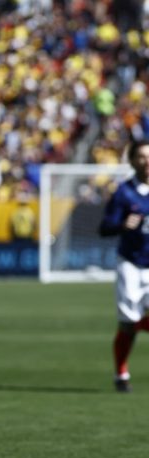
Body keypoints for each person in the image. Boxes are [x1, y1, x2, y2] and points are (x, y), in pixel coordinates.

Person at [99, 138, 149, 392]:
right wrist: (122, 225)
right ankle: (121, 373)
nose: (147, 161)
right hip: (131, 263)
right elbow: (104, 228)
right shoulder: (124, 192)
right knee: (128, 323)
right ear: (132, 161)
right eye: (142, 156)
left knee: (136, 321)